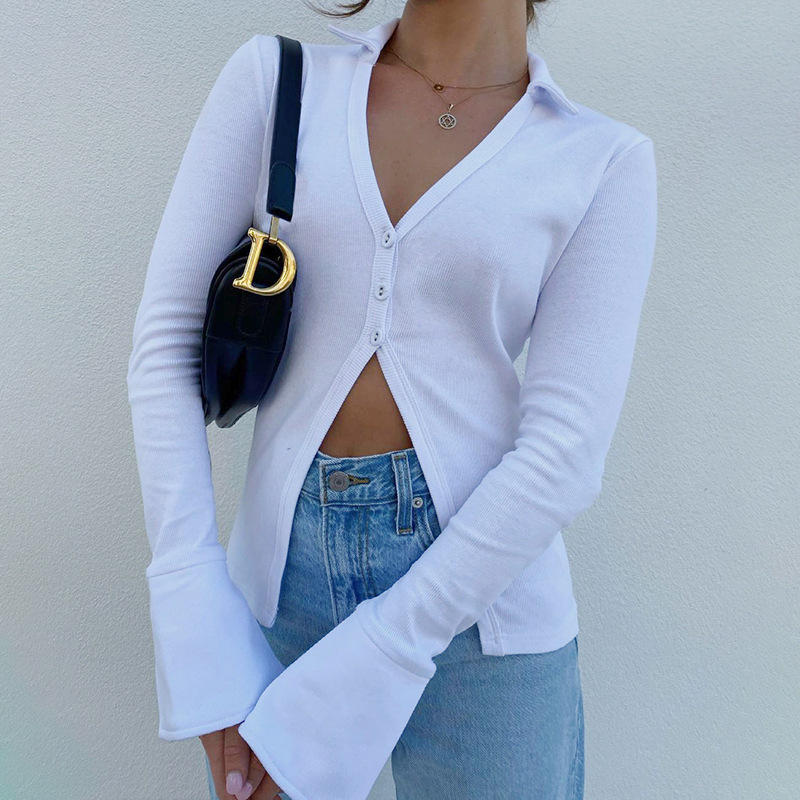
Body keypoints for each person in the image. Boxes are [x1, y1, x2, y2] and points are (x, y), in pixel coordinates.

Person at [126, 1, 658, 798]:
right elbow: (164, 346)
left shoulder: (600, 159)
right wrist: (194, 609)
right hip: (280, 600)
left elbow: (566, 453)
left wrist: (393, 643)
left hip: (485, 618)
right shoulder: (279, 84)